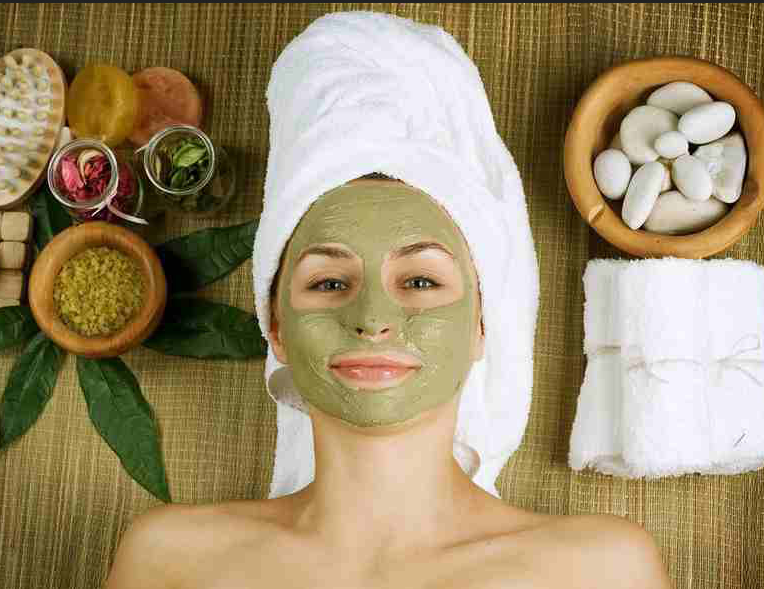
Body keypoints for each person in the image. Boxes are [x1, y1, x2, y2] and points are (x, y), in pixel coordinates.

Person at [104, 176, 673, 589]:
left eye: (420, 280)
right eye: (329, 283)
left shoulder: (602, 570)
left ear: (480, 328)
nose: (373, 318)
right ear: (276, 330)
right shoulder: (171, 560)